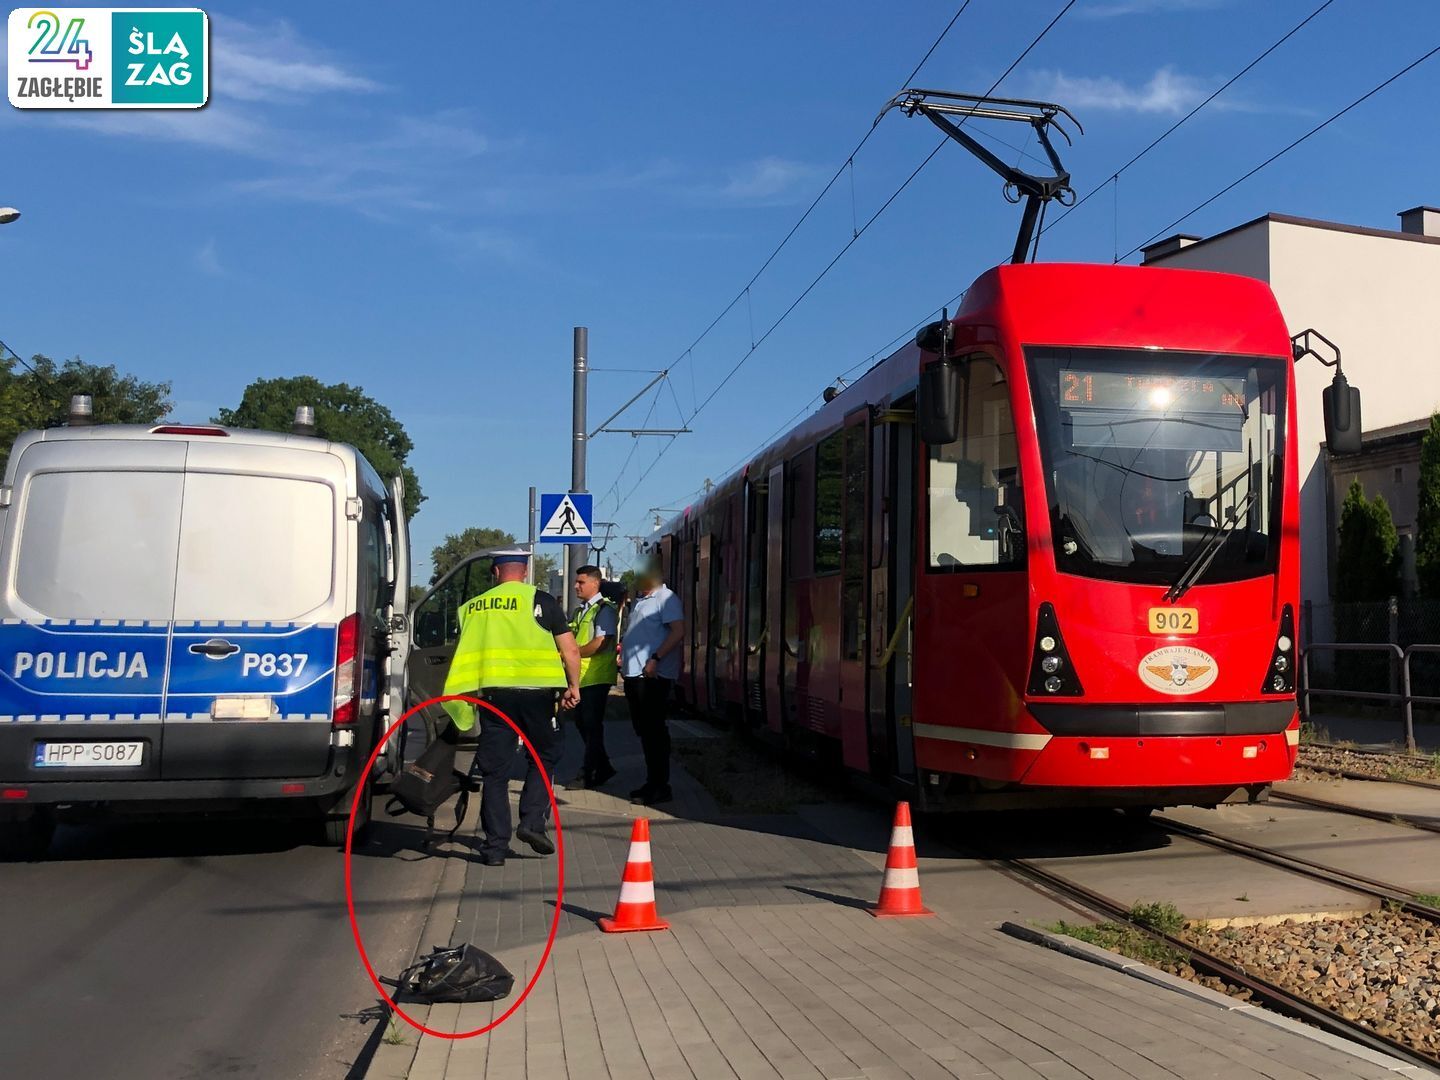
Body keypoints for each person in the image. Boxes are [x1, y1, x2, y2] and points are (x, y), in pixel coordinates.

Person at [441, 548, 581, 866]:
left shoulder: (473, 607)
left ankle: (494, 849)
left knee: (495, 772)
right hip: (538, 697)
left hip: (494, 697)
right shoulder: (541, 601)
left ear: (495, 573)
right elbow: (570, 650)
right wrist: (573, 687)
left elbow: (464, 653)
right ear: (525, 572)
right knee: (543, 756)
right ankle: (532, 823)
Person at [620, 561, 685, 805]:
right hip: (634, 675)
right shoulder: (640, 601)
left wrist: (656, 658)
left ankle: (660, 785)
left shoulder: (666, 598)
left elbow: (678, 631)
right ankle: (651, 782)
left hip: (652, 677)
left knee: (654, 732)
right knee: (644, 732)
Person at [564, 564, 619, 789]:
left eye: (581, 582)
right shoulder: (581, 610)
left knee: (591, 725)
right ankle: (603, 766)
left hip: (596, 677)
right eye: (576, 582)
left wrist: (572, 654)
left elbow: (601, 643)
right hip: (583, 677)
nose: (576, 586)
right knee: (583, 724)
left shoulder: (603, 609)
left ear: (595, 584)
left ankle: (589, 773)